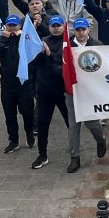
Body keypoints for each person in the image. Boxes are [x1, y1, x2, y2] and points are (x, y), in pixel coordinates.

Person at [65, 18, 107, 172]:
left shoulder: (97, 45)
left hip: (90, 91)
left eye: (83, 29)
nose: (81, 32)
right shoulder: (67, 46)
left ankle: (100, 139)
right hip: (72, 91)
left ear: (89, 29)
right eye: (78, 30)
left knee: (92, 122)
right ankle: (74, 158)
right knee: (73, 126)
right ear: (74, 31)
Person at [0, 15, 36, 153]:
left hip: (24, 83)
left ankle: (29, 133)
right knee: (9, 114)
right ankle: (13, 140)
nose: (12, 28)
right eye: (9, 25)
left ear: (19, 26)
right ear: (6, 26)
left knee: (27, 112)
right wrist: (4, 38)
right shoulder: (1, 39)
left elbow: (35, 50)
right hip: (7, 84)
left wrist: (23, 35)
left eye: (14, 25)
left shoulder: (25, 38)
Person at [31, 16, 70, 170]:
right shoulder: (42, 41)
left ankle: (75, 152)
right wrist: (41, 54)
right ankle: (42, 155)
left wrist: (49, 56)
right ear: (49, 27)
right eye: (53, 26)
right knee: (42, 124)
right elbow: (32, 63)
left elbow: (64, 68)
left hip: (63, 91)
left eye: (58, 25)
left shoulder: (68, 43)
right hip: (44, 91)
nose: (56, 28)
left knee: (71, 123)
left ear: (63, 26)